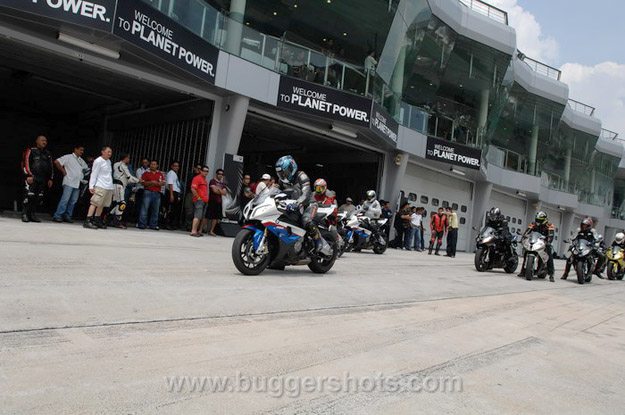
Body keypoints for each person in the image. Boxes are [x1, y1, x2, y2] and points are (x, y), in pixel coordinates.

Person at [275, 155, 331, 255]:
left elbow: (306, 193)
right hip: (292, 205)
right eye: (280, 173)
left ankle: (318, 241)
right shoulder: (281, 181)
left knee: (306, 221)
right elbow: (276, 192)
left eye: (284, 172)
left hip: (309, 204)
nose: (283, 175)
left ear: (292, 168)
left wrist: (298, 202)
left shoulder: (301, 176)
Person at [21, 135, 54, 223]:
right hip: (32, 177)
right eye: (42, 140)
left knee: (38, 197)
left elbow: (51, 166)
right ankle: (25, 214)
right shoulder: (31, 150)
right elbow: (25, 163)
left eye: (46, 141)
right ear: (37, 141)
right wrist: (28, 175)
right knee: (29, 195)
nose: (44, 142)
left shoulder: (48, 153)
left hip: (42, 178)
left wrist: (50, 178)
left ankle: (32, 215)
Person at [52, 145, 88, 223]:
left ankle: (67, 216)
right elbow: (56, 161)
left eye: (83, 150)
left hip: (78, 183)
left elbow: (86, 169)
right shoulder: (68, 157)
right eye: (80, 150)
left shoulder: (81, 160)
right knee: (65, 200)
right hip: (69, 181)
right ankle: (57, 215)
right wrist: (63, 171)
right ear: (75, 149)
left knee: (73, 201)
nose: (82, 152)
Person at [519, 211, 555, 281]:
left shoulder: (549, 225)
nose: (538, 222)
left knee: (549, 254)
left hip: (544, 242)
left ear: (544, 220)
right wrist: (523, 238)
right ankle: (523, 271)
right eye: (537, 220)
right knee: (527, 252)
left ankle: (551, 274)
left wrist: (549, 241)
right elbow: (527, 232)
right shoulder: (533, 224)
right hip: (535, 241)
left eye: (540, 220)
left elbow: (551, 235)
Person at [84, 146, 114, 229]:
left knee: (102, 204)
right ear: (102, 152)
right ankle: (88, 220)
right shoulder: (98, 161)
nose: (110, 154)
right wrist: (91, 186)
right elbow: (94, 174)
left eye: (110, 152)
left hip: (108, 186)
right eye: (108, 152)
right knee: (94, 203)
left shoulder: (108, 161)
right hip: (100, 185)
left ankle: (97, 220)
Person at [109, 153, 140, 229]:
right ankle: (117, 222)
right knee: (122, 203)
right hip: (120, 186)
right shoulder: (124, 166)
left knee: (117, 203)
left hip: (115, 185)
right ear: (125, 158)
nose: (129, 160)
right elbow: (129, 177)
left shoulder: (116, 164)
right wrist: (139, 180)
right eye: (128, 158)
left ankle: (108, 218)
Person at [138, 160, 165, 230]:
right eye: (152, 164)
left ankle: (153, 225)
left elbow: (163, 183)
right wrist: (153, 182)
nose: (153, 165)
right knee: (144, 209)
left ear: (157, 165)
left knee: (156, 210)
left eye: (154, 164)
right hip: (147, 192)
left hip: (157, 193)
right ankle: (142, 224)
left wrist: (154, 183)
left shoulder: (160, 174)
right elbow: (142, 183)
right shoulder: (146, 173)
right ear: (150, 165)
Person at [205, 168, 227, 236]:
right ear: (216, 174)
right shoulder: (212, 181)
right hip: (212, 201)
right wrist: (220, 190)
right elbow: (214, 191)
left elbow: (224, 193)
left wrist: (218, 189)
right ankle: (202, 229)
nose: (220, 175)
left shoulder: (222, 183)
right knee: (207, 216)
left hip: (219, 202)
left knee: (215, 217)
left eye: (222, 174)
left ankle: (211, 231)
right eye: (219, 174)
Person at [190, 166, 210, 237]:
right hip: (199, 200)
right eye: (204, 171)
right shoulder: (197, 178)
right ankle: (193, 231)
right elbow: (193, 189)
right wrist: (198, 197)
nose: (206, 172)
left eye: (207, 171)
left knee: (201, 216)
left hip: (204, 200)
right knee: (197, 216)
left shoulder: (204, 180)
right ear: (201, 171)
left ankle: (197, 231)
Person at [165, 161, 182, 230]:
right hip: (171, 192)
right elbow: (170, 184)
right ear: (171, 166)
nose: (176, 167)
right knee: (170, 209)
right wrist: (171, 195)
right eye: (175, 166)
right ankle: (168, 224)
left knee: (174, 209)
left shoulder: (174, 174)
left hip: (175, 192)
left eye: (177, 166)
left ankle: (171, 224)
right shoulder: (171, 173)